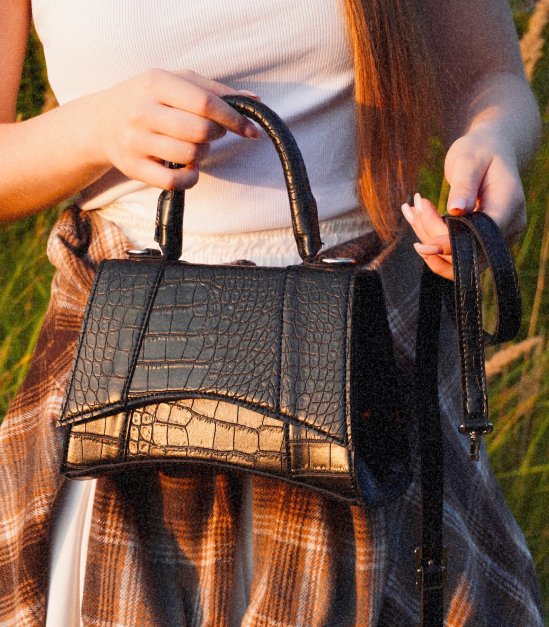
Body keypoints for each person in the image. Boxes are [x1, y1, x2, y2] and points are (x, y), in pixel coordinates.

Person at [0, 0, 543, 624]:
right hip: (124, 375)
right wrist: (95, 128)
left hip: (357, 361)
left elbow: (490, 80)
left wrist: (492, 143)